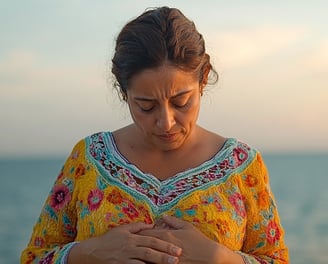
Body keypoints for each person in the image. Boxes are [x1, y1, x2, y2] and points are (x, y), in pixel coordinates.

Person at [21, 6, 289, 264]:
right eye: (146, 106)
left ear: (203, 80)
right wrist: (90, 253)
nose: (166, 122)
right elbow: (34, 257)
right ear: (124, 93)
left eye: (181, 102)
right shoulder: (89, 159)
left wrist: (220, 258)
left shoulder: (241, 167)